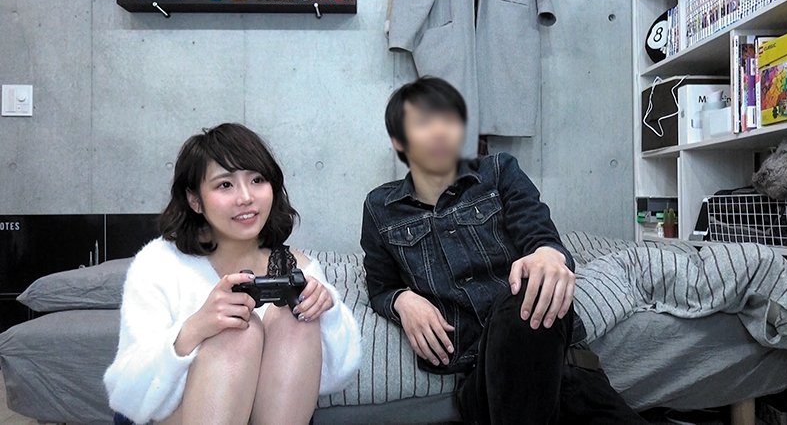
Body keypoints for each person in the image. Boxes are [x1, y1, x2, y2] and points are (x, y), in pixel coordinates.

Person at [360, 77, 646, 424]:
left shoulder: (498, 172)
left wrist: (548, 253)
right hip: (480, 379)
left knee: (528, 288)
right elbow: (380, 287)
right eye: (423, 122)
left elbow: (539, 235)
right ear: (399, 141)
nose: (439, 131)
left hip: (562, 366)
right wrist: (402, 301)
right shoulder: (381, 208)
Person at [104, 123, 361, 425]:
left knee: (296, 316)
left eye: (257, 180)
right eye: (225, 185)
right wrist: (195, 329)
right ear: (195, 200)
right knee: (238, 330)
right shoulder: (159, 262)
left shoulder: (299, 268)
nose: (246, 197)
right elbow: (126, 392)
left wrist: (327, 310)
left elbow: (336, 378)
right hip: (172, 417)